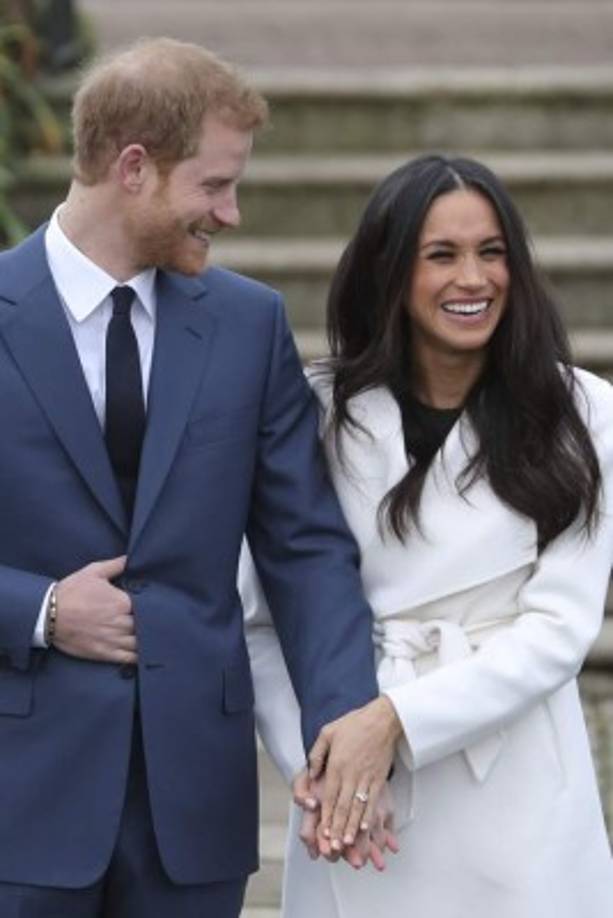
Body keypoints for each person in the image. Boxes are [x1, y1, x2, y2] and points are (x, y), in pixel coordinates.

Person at [0, 37, 399, 918]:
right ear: (133, 167)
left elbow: (305, 548)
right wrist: (42, 610)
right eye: (214, 185)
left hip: (191, 812)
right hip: (18, 797)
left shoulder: (248, 325)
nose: (231, 212)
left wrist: (343, 727)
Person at [241, 153, 613, 917]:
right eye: (440, 255)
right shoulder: (314, 412)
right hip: (354, 799)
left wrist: (393, 723)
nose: (472, 279)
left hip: (513, 784)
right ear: (388, 271)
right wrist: (326, 768)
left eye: (491, 252)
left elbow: (559, 629)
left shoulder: (582, 413)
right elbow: (258, 618)